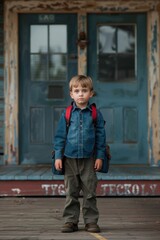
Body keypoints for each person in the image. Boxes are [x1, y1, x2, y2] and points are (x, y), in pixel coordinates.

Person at [53, 75, 106, 233]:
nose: (80, 94)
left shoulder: (95, 114)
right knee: (71, 192)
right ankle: (70, 221)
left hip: (89, 159)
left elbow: (101, 137)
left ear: (91, 93)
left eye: (84, 90)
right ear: (71, 94)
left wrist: (100, 156)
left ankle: (90, 221)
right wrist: (57, 156)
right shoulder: (67, 114)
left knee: (90, 192)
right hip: (69, 159)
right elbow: (60, 137)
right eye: (77, 91)